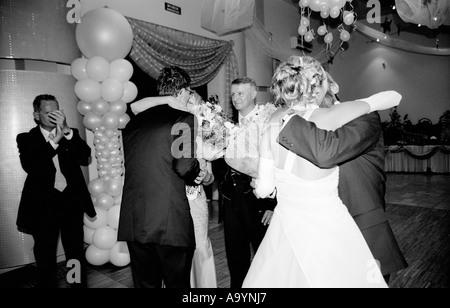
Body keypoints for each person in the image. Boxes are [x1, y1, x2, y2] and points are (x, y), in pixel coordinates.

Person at [242, 57, 402, 288]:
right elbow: (393, 97)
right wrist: (364, 102)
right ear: (319, 84)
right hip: (327, 225)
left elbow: (265, 188)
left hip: (285, 225)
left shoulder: (273, 120)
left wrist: (259, 182)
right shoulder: (333, 117)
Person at [118, 66, 211, 288]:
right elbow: (184, 166)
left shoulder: (133, 123)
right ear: (182, 92)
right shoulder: (183, 118)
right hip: (169, 223)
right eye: (189, 92)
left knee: (145, 284)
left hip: (134, 221)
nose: (189, 97)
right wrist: (201, 174)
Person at [16, 94, 96, 288]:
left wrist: (67, 131)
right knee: (45, 255)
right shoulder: (27, 139)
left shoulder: (70, 134)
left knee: (75, 253)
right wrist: (53, 143)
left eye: (57, 111)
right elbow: (32, 166)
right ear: (36, 115)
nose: (54, 116)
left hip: (71, 203)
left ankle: (76, 285)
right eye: (48, 112)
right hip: (43, 206)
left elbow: (85, 156)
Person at [220, 77, 277, 288]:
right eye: (233, 94)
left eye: (240, 93)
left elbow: (275, 165)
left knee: (265, 257)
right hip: (231, 201)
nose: (235, 98)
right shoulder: (225, 125)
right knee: (236, 259)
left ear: (253, 94)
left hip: (258, 202)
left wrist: (273, 205)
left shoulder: (267, 121)